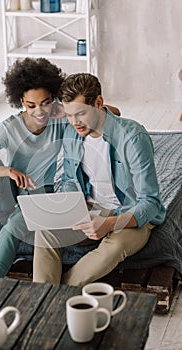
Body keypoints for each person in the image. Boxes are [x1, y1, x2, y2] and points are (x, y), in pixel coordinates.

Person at [33, 73, 166, 286]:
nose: (74, 122)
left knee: (113, 248)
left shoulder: (133, 137)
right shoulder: (72, 134)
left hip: (128, 213)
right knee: (44, 228)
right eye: (68, 115)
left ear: (99, 102)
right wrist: (65, 207)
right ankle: (44, 294)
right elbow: (69, 179)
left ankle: (55, 295)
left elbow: (150, 202)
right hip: (89, 206)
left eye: (81, 113)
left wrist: (108, 224)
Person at [0, 57, 67, 275]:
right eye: (31, 105)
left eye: (45, 103)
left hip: (40, 192)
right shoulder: (10, 127)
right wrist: (7, 171)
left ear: (53, 98)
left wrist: (69, 107)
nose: (39, 111)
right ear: (21, 101)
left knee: (12, 229)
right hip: (12, 190)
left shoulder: (59, 117)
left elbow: (110, 112)